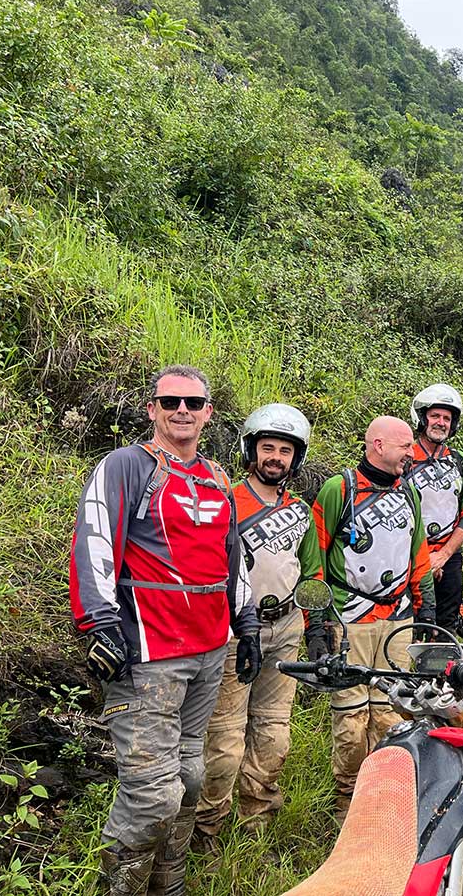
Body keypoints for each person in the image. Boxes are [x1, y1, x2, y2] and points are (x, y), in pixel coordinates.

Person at [70, 365, 259, 894]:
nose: (182, 410)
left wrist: (246, 624)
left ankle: (168, 887)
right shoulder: (126, 465)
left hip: (209, 650)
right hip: (147, 653)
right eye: (171, 401)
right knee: (154, 796)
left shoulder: (217, 478)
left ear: (208, 413)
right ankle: (121, 888)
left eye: (193, 403)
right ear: (152, 408)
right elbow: (94, 537)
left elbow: (232, 557)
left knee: (190, 779)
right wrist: (100, 623)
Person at [195, 404, 323, 852]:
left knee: (274, 733)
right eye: (268, 447)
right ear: (251, 449)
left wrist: (317, 628)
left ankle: (257, 824)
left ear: (296, 458)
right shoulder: (226, 501)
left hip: (285, 626)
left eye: (285, 451)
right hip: (234, 630)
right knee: (225, 739)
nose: (276, 458)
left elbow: (312, 572)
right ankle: (207, 828)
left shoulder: (300, 511)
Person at [312, 416, 436, 821]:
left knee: (391, 714)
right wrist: (317, 623)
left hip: (398, 617)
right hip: (351, 616)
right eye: (405, 446)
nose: (412, 453)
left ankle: (383, 798)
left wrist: (427, 608)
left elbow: (418, 553)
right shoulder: (339, 490)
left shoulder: (409, 492)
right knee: (351, 719)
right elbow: (315, 556)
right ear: (378, 445)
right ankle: (346, 801)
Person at [404, 385, 463, 633]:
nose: (441, 423)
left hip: (449, 556)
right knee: (411, 625)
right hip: (410, 556)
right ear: (422, 418)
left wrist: (443, 555)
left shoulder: (459, 461)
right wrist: (425, 559)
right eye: (435, 416)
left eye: (447, 418)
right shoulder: (405, 458)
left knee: (447, 627)